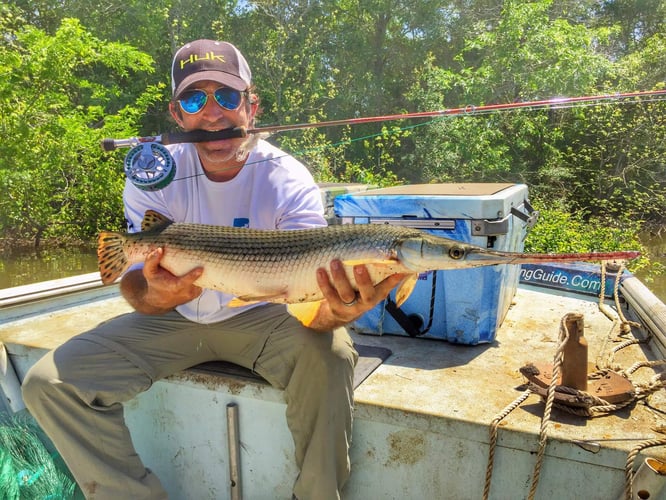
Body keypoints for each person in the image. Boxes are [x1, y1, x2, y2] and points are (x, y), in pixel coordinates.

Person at [21, 39, 404, 500]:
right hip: (173, 320)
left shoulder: (288, 178)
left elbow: (314, 302)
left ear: (251, 107)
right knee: (48, 384)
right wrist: (158, 295)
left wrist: (339, 311)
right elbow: (135, 287)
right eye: (194, 99)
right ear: (177, 114)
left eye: (226, 96)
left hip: (264, 317)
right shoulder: (154, 172)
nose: (212, 113)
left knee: (335, 354)